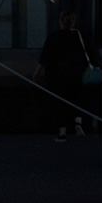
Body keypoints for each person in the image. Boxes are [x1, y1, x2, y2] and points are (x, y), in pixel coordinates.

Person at [33, 9, 91, 141]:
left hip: (57, 77)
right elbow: (88, 54)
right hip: (76, 75)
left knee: (61, 105)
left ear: (60, 22)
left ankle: (62, 133)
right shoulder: (79, 36)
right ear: (73, 22)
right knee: (76, 100)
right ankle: (78, 123)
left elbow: (44, 56)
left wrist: (37, 72)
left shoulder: (54, 37)